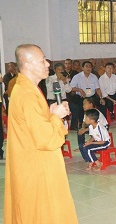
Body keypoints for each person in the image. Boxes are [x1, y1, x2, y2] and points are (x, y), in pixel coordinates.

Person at [5, 44, 78, 223]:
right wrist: (56, 117)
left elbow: (34, 124)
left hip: (31, 160)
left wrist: (50, 112)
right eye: (42, 60)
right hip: (37, 165)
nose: (47, 64)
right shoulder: (27, 94)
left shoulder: (27, 88)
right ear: (28, 64)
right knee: (43, 213)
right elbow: (46, 140)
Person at [70, 60, 106, 129]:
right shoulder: (77, 77)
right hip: (81, 97)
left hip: (92, 97)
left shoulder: (94, 77)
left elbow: (97, 89)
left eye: (90, 67)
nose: (88, 68)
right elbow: (71, 88)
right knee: (81, 106)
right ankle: (82, 124)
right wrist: (79, 90)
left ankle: (101, 123)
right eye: (86, 66)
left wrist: (101, 98)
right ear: (82, 68)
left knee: (103, 104)